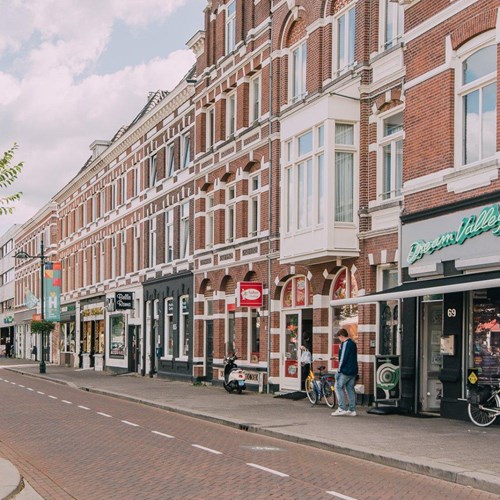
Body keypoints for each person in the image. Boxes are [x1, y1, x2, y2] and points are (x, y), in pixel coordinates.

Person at [331, 328, 358, 416]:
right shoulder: (353, 343)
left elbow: (343, 358)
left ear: (342, 336)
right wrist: (338, 358)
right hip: (353, 370)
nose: (339, 339)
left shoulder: (345, 344)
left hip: (345, 371)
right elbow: (349, 357)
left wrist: (339, 370)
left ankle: (341, 408)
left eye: (339, 337)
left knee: (338, 387)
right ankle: (352, 409)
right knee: (350, 389)